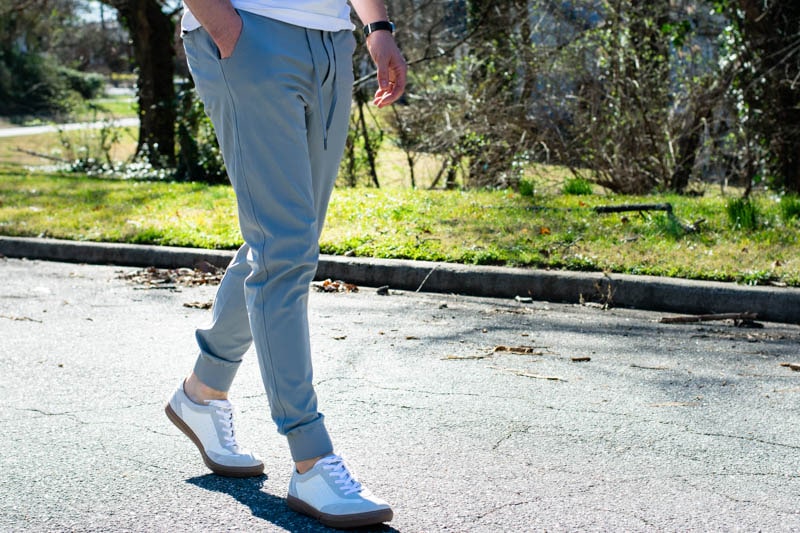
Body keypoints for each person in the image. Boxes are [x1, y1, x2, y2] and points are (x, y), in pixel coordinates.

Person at [163, 0, 407, 528]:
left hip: (332, 42)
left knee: (285, 243)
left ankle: (203, 391)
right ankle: (312, 459)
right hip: (250, 33)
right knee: (285, 249)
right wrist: (229, 32)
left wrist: (377, 26)